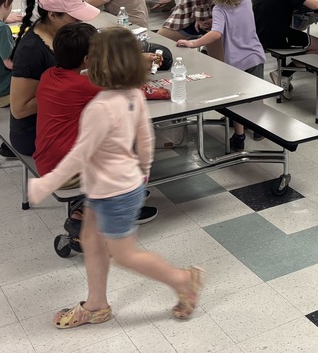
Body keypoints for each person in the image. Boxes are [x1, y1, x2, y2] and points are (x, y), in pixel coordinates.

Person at [27, 27, 204, 329]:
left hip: (114, 190)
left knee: (124, 254)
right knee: (90, 240)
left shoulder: (100, 107)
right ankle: (96, 305)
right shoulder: (132, 94)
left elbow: (80, 155)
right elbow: (146, 138)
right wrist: (144, 172)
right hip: (113, 185)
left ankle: (183, 279)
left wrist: (47, 183)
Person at [177, 0, 266, 150]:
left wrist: (194, 43)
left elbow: (217, 34)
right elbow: (238, 21)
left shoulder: (219, 9)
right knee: (258, 95)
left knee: (237, 99)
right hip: (256, 55)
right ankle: (259, 128)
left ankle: (239, 136)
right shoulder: (247, 1)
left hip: (237, 61)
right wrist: (213, 22)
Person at [10, 0, 101, 156]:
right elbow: (19, 109)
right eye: (74, 18)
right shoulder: (31, 51)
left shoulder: (61, 38)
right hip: (35, 133)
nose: (79, 22)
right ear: (53, 15)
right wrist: (67, 93)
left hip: (56, 120)